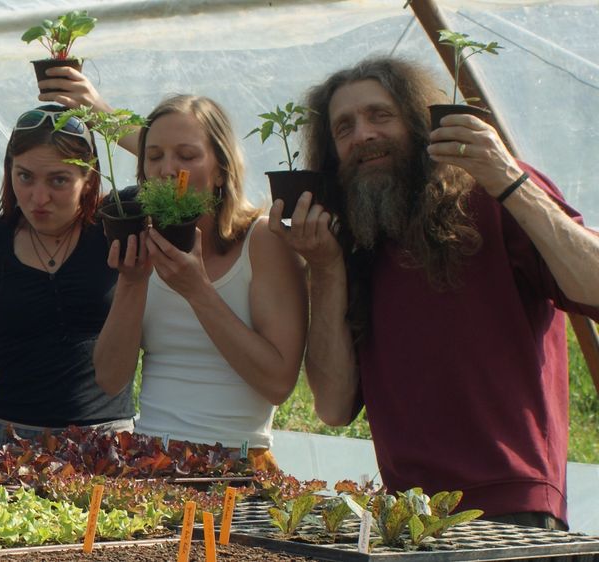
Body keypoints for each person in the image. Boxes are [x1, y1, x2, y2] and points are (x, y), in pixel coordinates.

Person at [276, 57, 599, 529]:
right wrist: (324, 266)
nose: (362, 134)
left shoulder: (492, 195)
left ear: (419, 119)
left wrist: (510, 181)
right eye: (343, 127)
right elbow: (332, 405)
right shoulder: (354, 242)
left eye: (379, 115)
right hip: (408, 520)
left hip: (512, 510)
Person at [91, 95, 307, 470]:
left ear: (221, 169)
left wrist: (198, 291)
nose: (167, 169)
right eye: (154, 156)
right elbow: (110, 379)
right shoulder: (140, 238)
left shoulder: (260, 241)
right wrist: (132, 282)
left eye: (187, 156)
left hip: (237, 463)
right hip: (150, 458)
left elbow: (278, 383)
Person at [0, 104, 136, 444]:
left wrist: (96, 112)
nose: (39, 197)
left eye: (59, 180)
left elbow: (178, 175)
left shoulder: (117, 225)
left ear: (89, 176)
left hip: (104, 443)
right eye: (24, 176)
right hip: (5, 440)